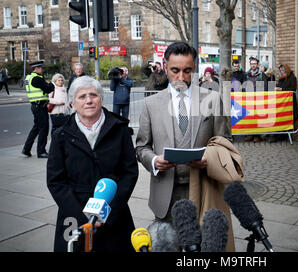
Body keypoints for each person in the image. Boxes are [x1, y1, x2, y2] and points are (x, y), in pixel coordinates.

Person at [135, 41, 237, 251]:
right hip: (165, 194)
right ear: (165, 67)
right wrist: (154, 161)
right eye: (175, 70)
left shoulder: (213, 99)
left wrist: (209, 159)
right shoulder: (150, 104)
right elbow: (141, 147)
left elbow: (226, 144)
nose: (181, 77)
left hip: (203, 190)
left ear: (194, 69)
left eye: (187, 71)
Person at [47, 76, 139, 252]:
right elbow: (56, 181)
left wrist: (108, 212)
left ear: (101, 99)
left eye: (93, 95)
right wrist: (81, 216)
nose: (88, 100)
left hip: (114, 215)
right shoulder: (61, 135)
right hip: (74, 215)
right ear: (72, 103)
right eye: (82, 97)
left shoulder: (119, 129)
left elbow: (130, 173)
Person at [22, 60, 55, 158]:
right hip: (40, 106)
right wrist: (51, 84)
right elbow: (48, 89)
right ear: (36, 68)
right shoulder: (37, 79)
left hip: (35, 106)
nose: (43, 69)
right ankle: (41, 152)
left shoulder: (29, 77)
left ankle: (26, 149)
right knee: (44, 128)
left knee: (36, 128)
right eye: (41, 68)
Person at [268, 64, 298, 143]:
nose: (282, 72)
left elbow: (293, 88)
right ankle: (277, 135)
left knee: (287, 118)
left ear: (286, 70)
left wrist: (282, 89)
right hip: (281, 103)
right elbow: (278, 86)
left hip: (289, 103)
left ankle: (283, 135)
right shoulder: (281, 79)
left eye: (283, 71)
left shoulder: (292, 78)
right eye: (280, 71)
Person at [244, 57, 267, 143]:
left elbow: (265, 87)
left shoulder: (261, 75)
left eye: (254, 64)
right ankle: (250, 134)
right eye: (251, 64)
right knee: (250, 117)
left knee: (257, 117)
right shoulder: (247, 74)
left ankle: (257, 136)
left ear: (257, 65)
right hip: (249, 99)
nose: (253, 65)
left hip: (258, 99)